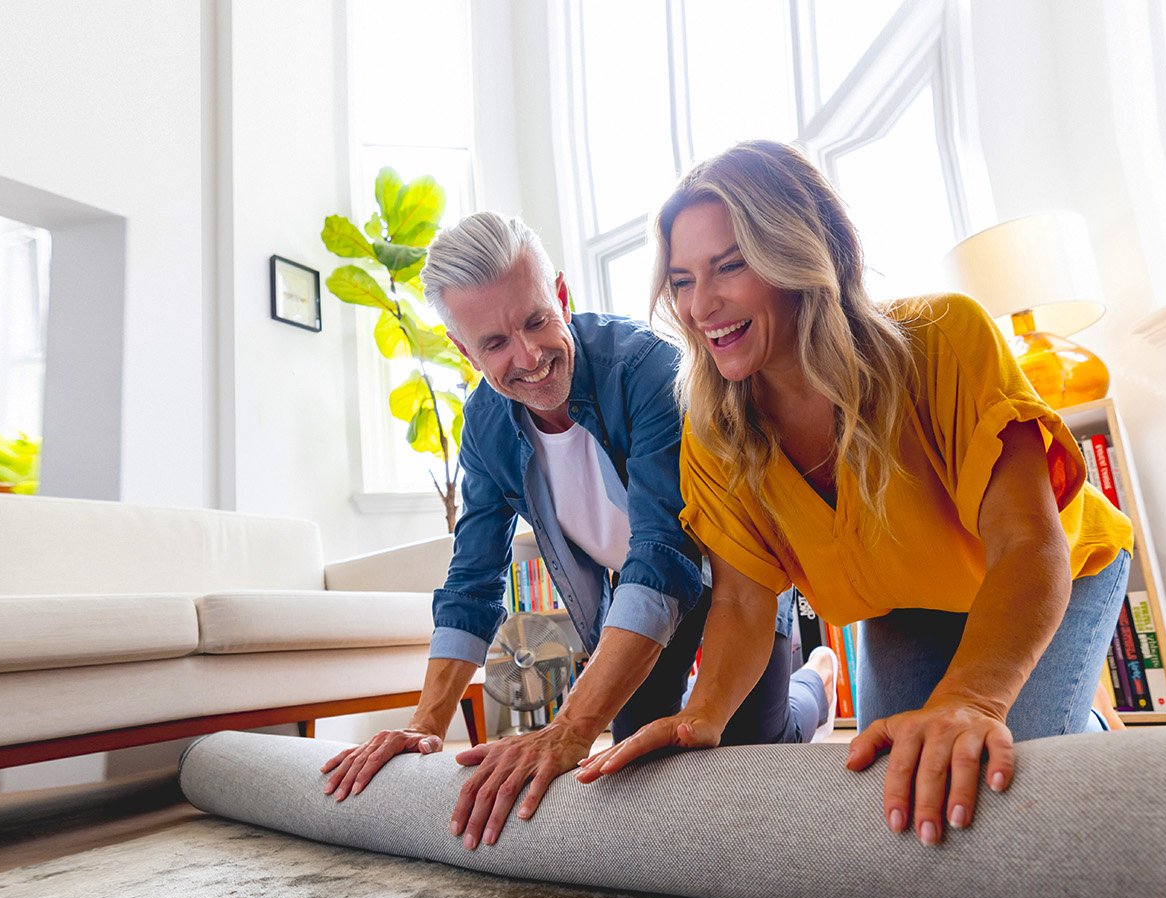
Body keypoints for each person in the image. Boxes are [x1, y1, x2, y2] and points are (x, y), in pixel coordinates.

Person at [577, 142, 1135, 849]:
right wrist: (704, 713)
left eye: (730, 265)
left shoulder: (948, 338)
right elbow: (745, 600)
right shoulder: (714, 430)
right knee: (895, 795)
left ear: (800, 254)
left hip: (1050, 569)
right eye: (682, 280)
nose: (700, 305)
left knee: (981, 796)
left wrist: (970, 700)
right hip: (910, 599)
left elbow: (1028, 542)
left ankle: (1078, 721)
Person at [319, 211, 834, 850]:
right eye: (495, 344)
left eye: (536, 320)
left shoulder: (646, 369)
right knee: (641, 763)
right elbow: (473, 580)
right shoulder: (483, 426)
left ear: (560, 295)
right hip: (637, 603)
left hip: (728, 575)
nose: (528, 357)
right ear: (463, 351)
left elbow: (663, 554)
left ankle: (817, 680)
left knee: (754, 747)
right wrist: (426, 722)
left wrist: (567, 729)